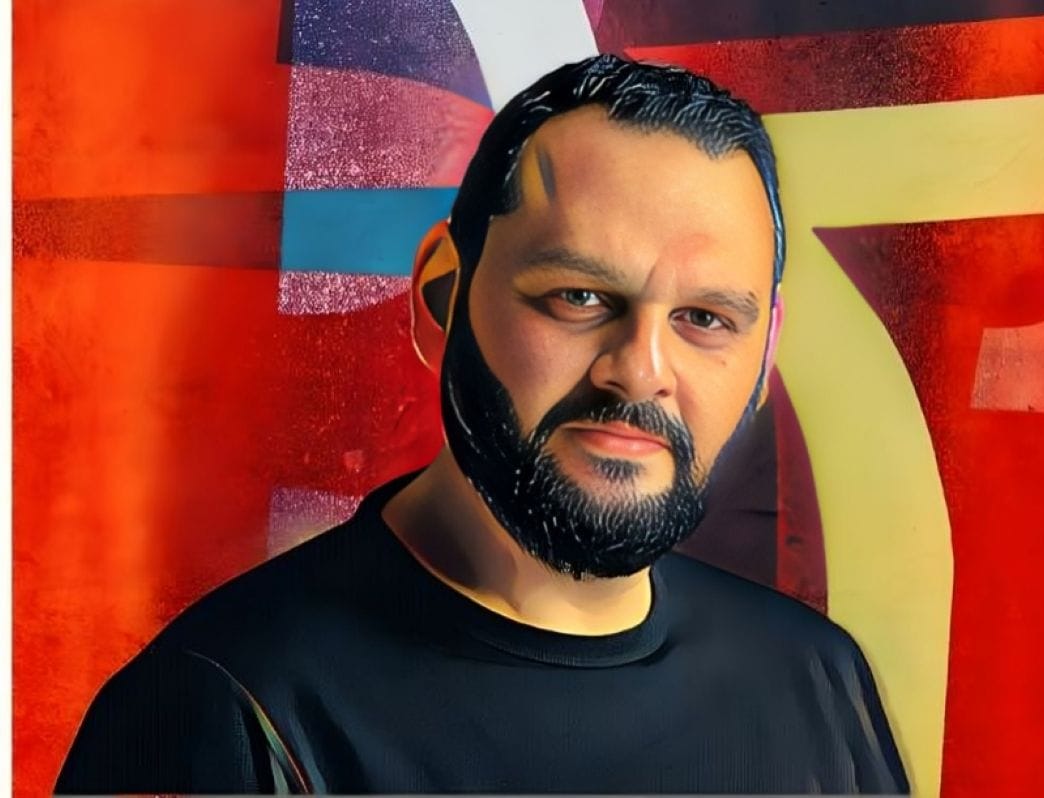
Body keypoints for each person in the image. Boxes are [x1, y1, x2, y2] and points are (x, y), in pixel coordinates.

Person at [56, 55, 909, 795]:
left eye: (706, 319)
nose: (640, 369)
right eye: (580, 297)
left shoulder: (816, 680)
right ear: (442, 296)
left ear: (764, 355)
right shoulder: (225, 709)